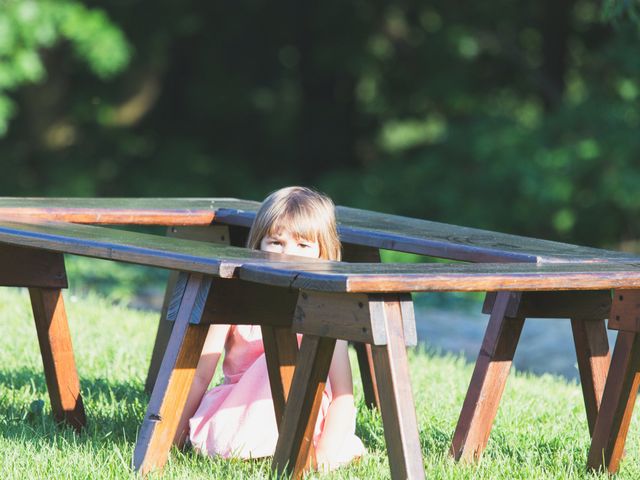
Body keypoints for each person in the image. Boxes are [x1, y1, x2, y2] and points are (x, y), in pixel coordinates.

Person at [174, 186, 365, 471]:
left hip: (303, 418)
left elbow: (342, 396)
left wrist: (323, 456)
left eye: (303, 246)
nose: (287, 255)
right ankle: (252, 446)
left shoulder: (325, 312)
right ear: (258, 245)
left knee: (287, 360)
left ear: (323, 253)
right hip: (238, 410)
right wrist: (170, 437)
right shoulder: (235, 300)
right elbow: (200, 374)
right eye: (276, 242)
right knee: (271, 361)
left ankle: (290, 447)